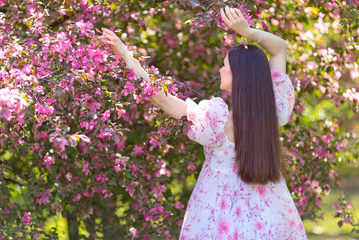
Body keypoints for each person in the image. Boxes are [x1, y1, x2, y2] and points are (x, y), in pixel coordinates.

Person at [99, 6, 308, 240]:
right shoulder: (273, 111)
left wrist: (126, 55)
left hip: (219, 218)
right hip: (268, 217)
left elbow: (159, 97)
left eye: (224, 65)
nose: (220, 69)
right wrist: (247, 32)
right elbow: (280, 48)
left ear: (238, 75)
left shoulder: (216, 123)